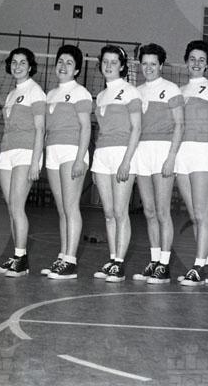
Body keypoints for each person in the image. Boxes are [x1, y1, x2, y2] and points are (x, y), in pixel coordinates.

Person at [131, 43, 184, 284]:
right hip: (142, 153)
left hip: (163, 152)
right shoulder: (136, 91)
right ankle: (154, 261)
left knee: (163, 211)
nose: (149, 68)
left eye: (153, 64)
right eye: (145, 64)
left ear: (161, 65)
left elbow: (180, 125)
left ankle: (164, 265)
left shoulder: (171, 89)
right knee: (149, 211)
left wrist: (171, 157)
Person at [175, 40, 208, 286]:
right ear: (186, 62)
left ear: (207, 64)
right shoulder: (179, 91)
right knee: (194, 215)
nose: (196, 63)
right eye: (193, 59)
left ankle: (197, 266)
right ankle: (204, 266)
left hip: (203, 152)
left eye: (201, 60)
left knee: (201, 212)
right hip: (181, 155)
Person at [91, 45, 142, 282]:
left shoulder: (130, 92)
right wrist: (96, 163)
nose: (109, 65)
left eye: (114, 62)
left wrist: (126, 161)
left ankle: (119, 264)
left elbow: (136, 129)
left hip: (123, 154)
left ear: (122, 66)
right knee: (109, 213)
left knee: (121, 212)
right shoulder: (101, 96)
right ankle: (112, 259)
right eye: (105, 61)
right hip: (102, 156)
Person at [0, 47, 45, 278]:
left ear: (30, 66)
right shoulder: (11, 94)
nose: (17, 66)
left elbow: (40, 129)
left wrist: (35, 162)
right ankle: (17, 256)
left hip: (25, 153)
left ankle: (21, 260)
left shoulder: (36, 91)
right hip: (7, 152)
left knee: (17, 206)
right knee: (11, 208)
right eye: (14, 62)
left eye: (22, 62)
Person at [41, 45, 92, 280]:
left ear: (77, 70)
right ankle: (63, 256)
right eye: (60, 61)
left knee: (71, 207)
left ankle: (70, 261)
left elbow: (86, 127)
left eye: (69, 63)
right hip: (53, 152)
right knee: (62, 209)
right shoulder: (50, 94)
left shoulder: (80, 92)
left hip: (72, 152)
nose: (63, 66)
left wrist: (80, 159)